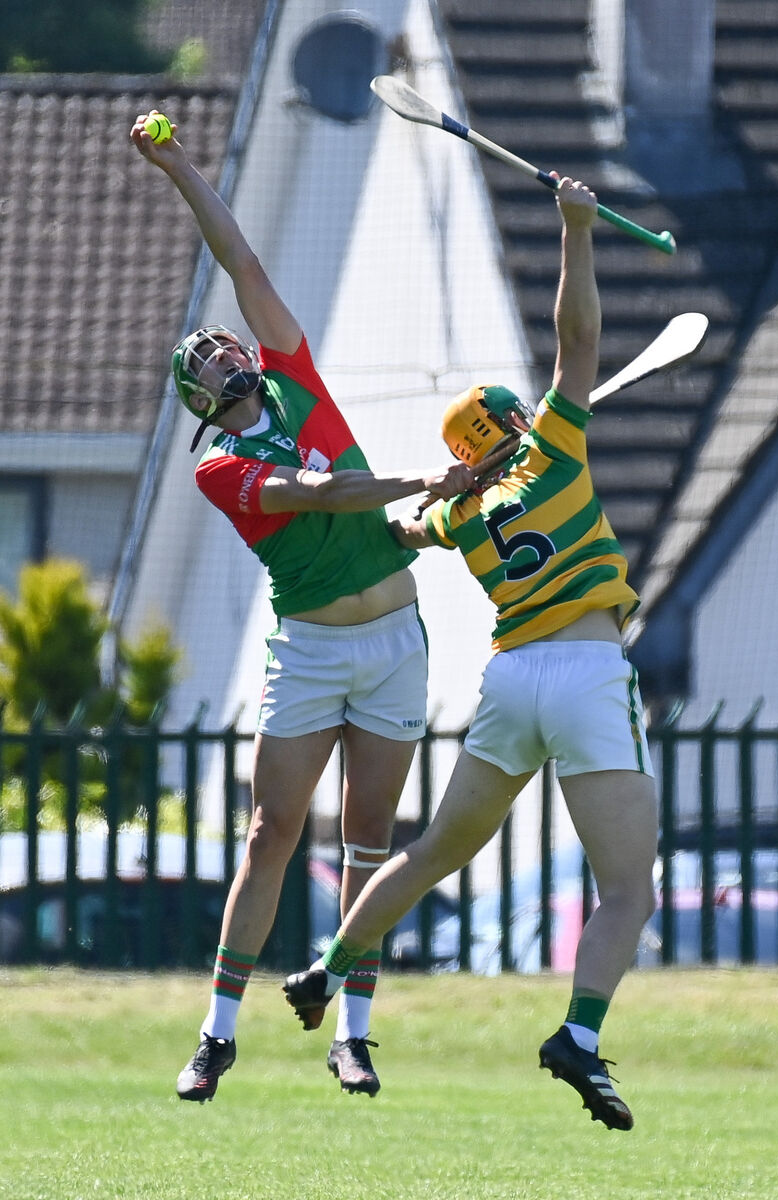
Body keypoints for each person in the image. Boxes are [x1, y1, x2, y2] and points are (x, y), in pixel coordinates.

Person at [130, 111, 506, 1103]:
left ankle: (354, 1032)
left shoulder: (292, 374)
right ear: (200, 397)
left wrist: (176, 166)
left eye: (222, 342)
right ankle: (216, 1035)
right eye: (203, 357)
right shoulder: (220, 467)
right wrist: (423, 480)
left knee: (370, 841)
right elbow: (322, 496)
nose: (221, 349)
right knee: (271, 835)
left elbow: (238, 252)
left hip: (392, 645)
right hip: (307, 654)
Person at [283, 176, 659, 1131]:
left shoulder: (461, 512)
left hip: (508, 684)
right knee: (626, 889)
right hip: (584, 673)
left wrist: (417, 504)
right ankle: (577, 1034)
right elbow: (578, 344)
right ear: (517, 429)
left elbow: (401, 531)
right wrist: (575, 228)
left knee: (431, 853)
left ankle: (328, 965)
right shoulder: (556, 452)